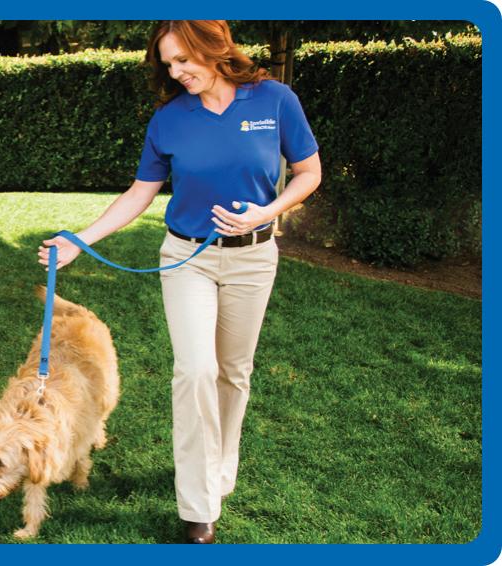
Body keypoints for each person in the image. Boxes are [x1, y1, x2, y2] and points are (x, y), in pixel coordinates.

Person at [38, 20, 322, 544]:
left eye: (183, 60)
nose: (176, 72)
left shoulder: (274, 100)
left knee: (233, 373)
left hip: (254, 259)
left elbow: (309, 172)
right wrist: (79, 240)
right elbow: (139, 192)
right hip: (187, 258)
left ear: (214, 48)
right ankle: (198, 505)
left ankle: (220, 468)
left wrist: (268, 212)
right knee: (194, 371)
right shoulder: (169, 119)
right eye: (168, 64)